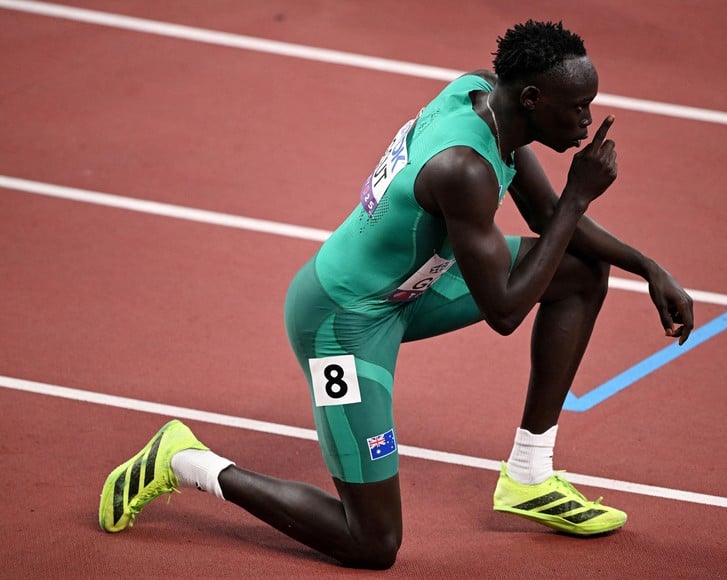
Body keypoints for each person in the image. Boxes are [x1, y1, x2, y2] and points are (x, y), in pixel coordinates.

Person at [99, 20, 694, 570]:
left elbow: (543, 215)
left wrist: (647, 266)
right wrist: (580, 196)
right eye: (578, 108)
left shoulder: (489, 97)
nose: (589, 121)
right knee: (373, 543)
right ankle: (184, 459)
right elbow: (506, 311)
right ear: (533, 100)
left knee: (580, 272)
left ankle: (529, 476)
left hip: (411, 288)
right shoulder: (464, 169)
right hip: (342, 323)